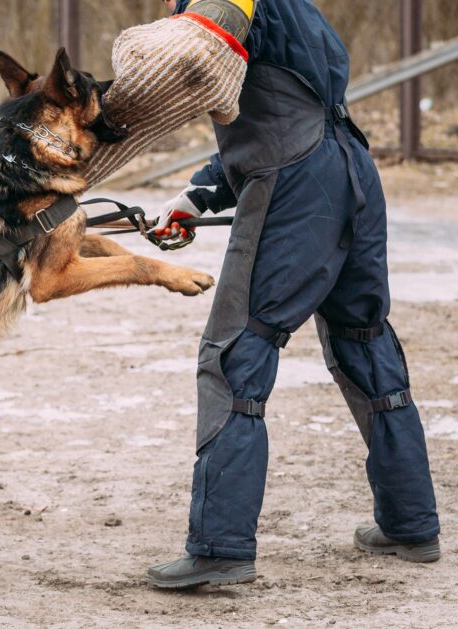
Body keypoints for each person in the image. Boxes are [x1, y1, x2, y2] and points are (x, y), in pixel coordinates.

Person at [147, 0, 441, 589]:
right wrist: (200, 194)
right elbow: (283, 108)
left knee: (235, 353)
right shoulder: (298, 11)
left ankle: (220, 547)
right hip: (351, 171)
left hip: (294, 184)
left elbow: (179, 67)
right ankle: (412, 525)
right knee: (365, 340)